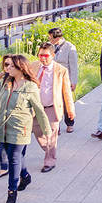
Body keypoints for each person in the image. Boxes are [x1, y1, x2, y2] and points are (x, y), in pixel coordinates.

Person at [0, 55, 52, 203]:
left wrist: (47, 130)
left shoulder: (30, 86)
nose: (7, 68)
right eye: (6, 65)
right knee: (8, 152)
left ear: (20, 68)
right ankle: (25, 175)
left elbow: (39, 109)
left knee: (14, 158)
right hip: (2, 126)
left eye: (10, 66)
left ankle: (12, 191)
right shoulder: (4, 82)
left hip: (20, 128)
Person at [31, 42, 75, 173]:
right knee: (37, 132)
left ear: (53, 55)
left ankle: (50, 161)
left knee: (51, 135)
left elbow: (66, 92)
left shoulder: (61, 70)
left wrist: (70, 110)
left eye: (46, 55)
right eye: (40, 55)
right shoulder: (33, 66)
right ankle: (50, 149)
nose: (43, 58)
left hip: (52, 107)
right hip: (36, 107)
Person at [47, 27, 78, 133]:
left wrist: (73, 81)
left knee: (66, 102)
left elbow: (74, 66)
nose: (49, 40)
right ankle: (57, 125)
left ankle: (70, 123)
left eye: (51, 38)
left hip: (65, 78)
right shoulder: (50, 46)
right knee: (54, 102)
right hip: (52, 78)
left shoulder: (70, 47)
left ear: (58, 38)